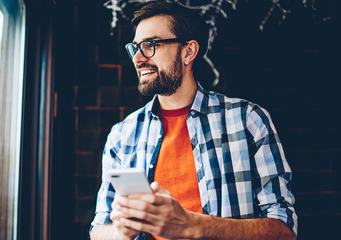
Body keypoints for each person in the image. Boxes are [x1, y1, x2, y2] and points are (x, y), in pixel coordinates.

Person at [90, 2, 297, 240]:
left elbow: (284, 231)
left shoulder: (248, 120)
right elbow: (98, 230)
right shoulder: (122, 135)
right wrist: (121, 232)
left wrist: (195, 226)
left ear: (188, 51)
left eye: (150, 45)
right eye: (135, 47)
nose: (138, 58)